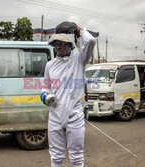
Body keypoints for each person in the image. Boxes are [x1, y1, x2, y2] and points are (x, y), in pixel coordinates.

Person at [40, 22, 96, 167]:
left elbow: (90, 41)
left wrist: (81, 30)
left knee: (77, 158)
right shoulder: (50, 65)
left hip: (75, 114)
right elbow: (45, 88)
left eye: (63, 42)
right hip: (55, 114)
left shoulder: (80, 60)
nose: (59, 46)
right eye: (56, 43)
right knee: (56, 158)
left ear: (71, 44)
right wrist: (45, 96)